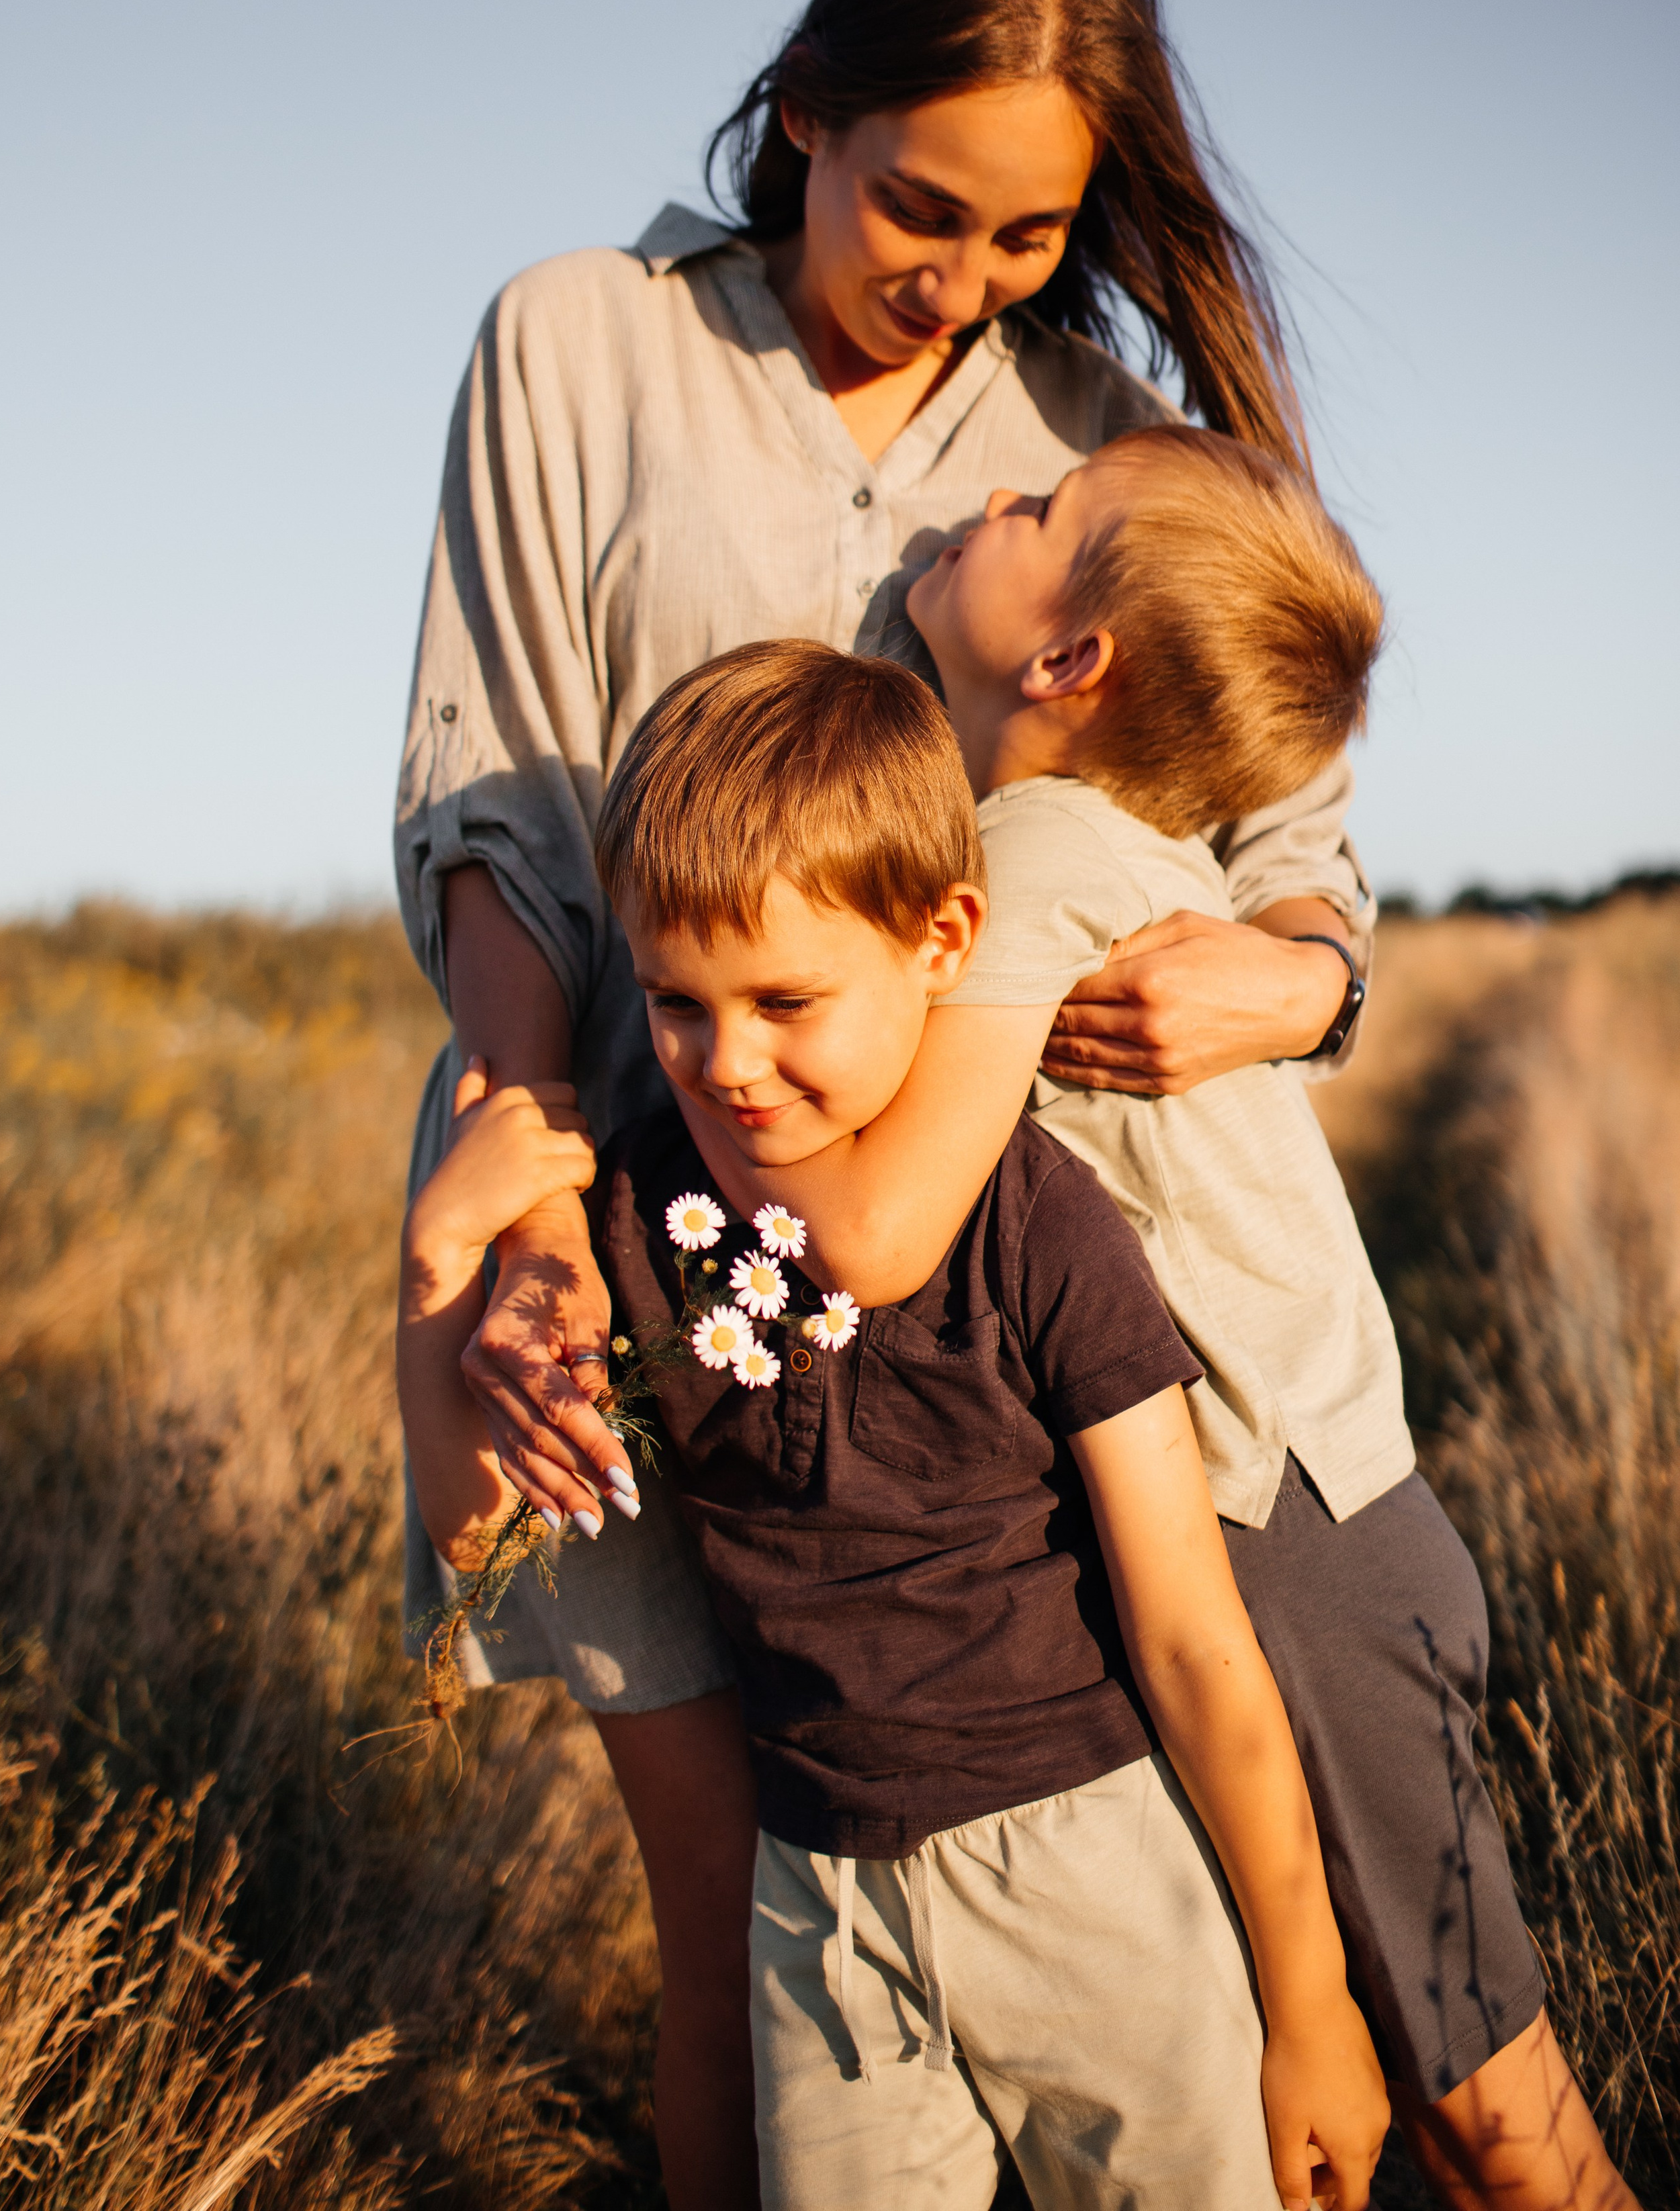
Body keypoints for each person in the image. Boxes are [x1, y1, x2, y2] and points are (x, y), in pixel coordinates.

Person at [396, 0, 1377, 2206]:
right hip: (636, 1239)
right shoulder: (581, 343)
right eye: (918, 206)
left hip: (988, 1318)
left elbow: (1294, 819)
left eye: (1028, 235)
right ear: (808, 111)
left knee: (1077, 1896)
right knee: (749, 1926)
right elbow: (505, 807)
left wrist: (1316, 974)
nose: (957, 281)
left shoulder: (1097, 443)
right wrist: (526, 1185)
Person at [693, 430, 1636, 2211]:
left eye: (1037, 516)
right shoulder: (1068, 846)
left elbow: (882, 1232)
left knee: (1490, 2116)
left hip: (1298, 1544)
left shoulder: (1041, 855)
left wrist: (687, 1119)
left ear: (1069, 664)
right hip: (1302, 1523)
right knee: (1414, 2100)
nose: (989, 502)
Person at [399, 641, 1390, 2211]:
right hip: (820, 1916)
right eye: (673, 1003)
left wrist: (1309, 1998)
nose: (726, 1066)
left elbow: (1196, 1641)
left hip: (1092, 1880)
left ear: (944, 942)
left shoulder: (1034, 1220)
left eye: (785, 1000)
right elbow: (485, 1542)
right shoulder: (652, 1229)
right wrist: (440, 1271)